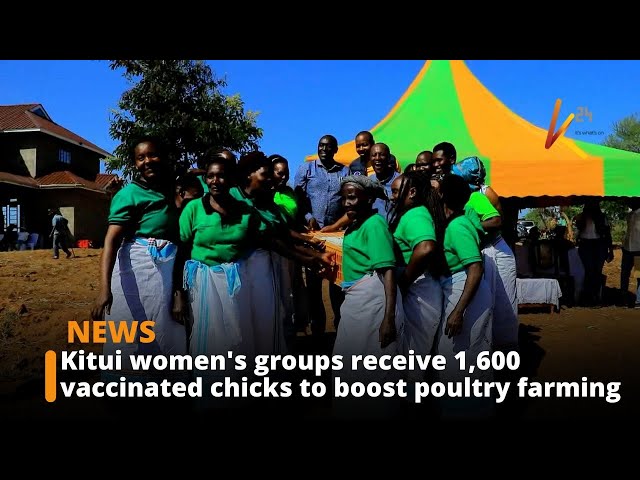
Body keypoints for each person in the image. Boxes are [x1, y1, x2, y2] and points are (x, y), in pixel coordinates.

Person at [90, 136, 187, 385]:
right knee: (131, 325)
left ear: (164, 158)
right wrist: (104, 289)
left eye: (152, 155)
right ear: (134, 163)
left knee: (166, 327)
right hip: (137, 268)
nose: (147, 162)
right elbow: (111, 241)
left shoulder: (169, 188)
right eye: (140, 158)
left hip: (168, 267)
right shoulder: (129, 195)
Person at [175, 151, 258, 406]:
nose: (214, 181)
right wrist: (178, 295)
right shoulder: (193, 209)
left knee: (237, 337)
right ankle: (207, 398)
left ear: (231, 179)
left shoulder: (246, 212)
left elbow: (258, 244)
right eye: (210, 176)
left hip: (234, 283)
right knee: (206, 339)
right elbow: (181, 251)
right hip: (202, 284)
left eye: (221, 176)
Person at [331, 175, 405, 418]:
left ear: (369, 198)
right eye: (344, 198)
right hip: (357, 302)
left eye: (352, 197)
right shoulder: (356, 224)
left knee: (372, 367)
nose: (347, 203)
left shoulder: (374, 225)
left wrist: (389, 318)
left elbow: (387, 272)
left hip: (373, 303)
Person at [436, 174, 494, 418]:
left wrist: (458, 311)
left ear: (442, 196)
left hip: (466, 290)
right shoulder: (458, 222)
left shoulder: (458, 226)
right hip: (463, 288)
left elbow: (475, 268)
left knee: (460, 355)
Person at [453, 156, 519, 351]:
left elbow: (498, 222)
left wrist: (469, 227)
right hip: (479, 250)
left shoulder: (485, 193)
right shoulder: (463, 193)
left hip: (495, 250)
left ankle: (506, 352)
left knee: (503, 304)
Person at [388, 169, 446, 382]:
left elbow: (425, 247)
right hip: (419, 291)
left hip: (419, 293)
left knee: (412, 363)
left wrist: (404, 282)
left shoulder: (415, 214)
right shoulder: (414, 214)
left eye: (395, 192)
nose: (392, 197)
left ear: (411, 192)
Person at [294, 134, 349, 335]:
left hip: (336, 234)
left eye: (328, 146)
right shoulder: (305, 169)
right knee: (314, 284)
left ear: (335, 150)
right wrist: (308, 216)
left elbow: (347, 199)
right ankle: (317, 329)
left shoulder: (344, 171)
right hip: (312, 234)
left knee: (337, 283)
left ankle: (339, 327)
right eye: (321, 145)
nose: (324, 149)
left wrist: (336, 225)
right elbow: (297, 199)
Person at [575, 200, 613, 306]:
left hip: (599, 245)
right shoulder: (581, 217)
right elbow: (578, 227)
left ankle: (596, 296)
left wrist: (610, 250)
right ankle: (589, 296)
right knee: (588, 271)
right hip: (585, 245)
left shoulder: (601, 217)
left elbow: (607, 233)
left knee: (596, 271)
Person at [620, 198, 640, 308]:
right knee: (624, 275)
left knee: (639, 275)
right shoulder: (630, 215)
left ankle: (638, 300)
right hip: (627, 249)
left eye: (631, 201)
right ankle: (623, 299)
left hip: (639, 250)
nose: (629, 203)